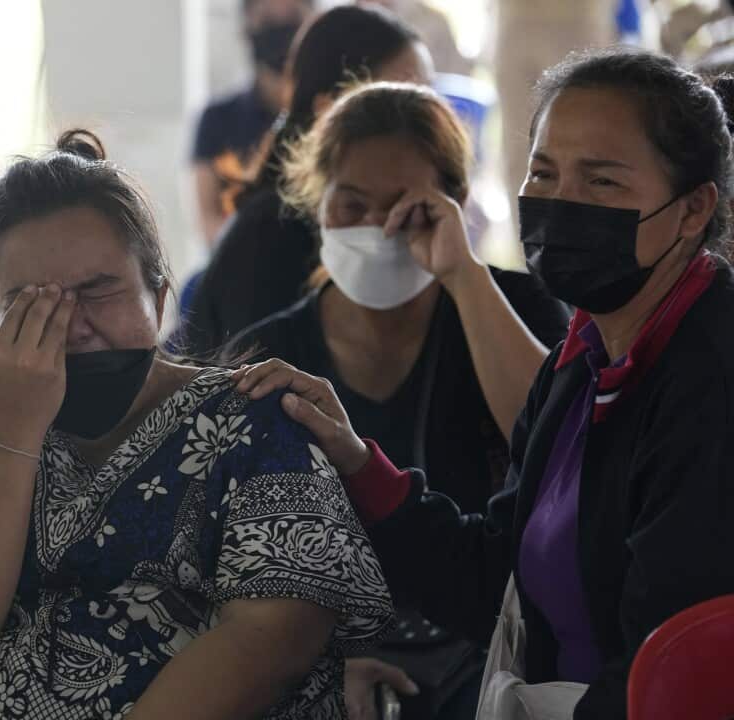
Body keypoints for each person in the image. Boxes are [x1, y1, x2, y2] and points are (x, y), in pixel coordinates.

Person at [236, 49, 734, 718]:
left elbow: (670, 662)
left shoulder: (708, 380)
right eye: (545, 173)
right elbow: (499, 579)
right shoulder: (584, 359)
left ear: (694, 208)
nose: (561, 203)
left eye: (603, 183)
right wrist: (358, 462)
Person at [0, 129, 393, 719]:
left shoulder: (253, 416)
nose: (70, 326)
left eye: (97, 291)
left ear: (160, 296)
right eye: (30, 304)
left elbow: (274, 641)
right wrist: (8, 437)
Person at [227, 81, 569, 720]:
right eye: (349, 204)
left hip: (494, 649)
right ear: (316, 199)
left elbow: (558, 449)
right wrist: (322, 662)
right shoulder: (271, 353)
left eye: (403, 208)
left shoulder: (513, 309)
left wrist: (463, 276)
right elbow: (236, 557)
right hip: (321, 652)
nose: (374, 229)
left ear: (452, 203)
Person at [181, 3, 431, 356]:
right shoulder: (274, 235)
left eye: (427, 98)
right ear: (331, 107)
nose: (428, 123)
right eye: (400, 100)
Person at [192, 0, 313, 247]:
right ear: (246, 27)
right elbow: (209, 221)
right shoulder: (217, 120)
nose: (281, 31)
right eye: (268, 21)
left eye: (292, 19)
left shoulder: (333, 115)